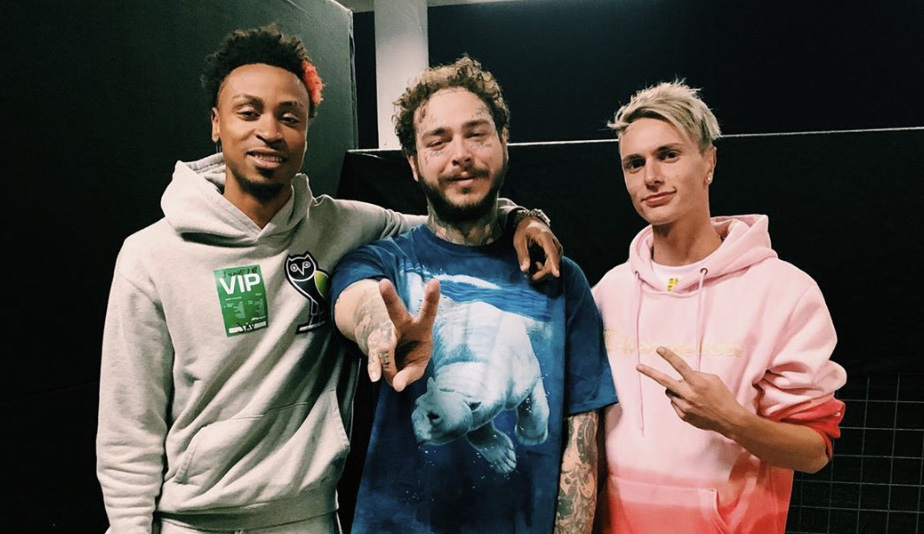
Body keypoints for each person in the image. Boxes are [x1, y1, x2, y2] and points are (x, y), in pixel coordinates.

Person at [95, 25, 563, 534]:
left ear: (306, 130)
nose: (269, 131)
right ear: (216, 122)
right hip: (191, 523)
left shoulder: (339, 225)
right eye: (248, 112)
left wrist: (521, 217)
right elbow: (129, 430)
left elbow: (449, 221)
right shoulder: (150, 256)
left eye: (289, 116)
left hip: (312, 518)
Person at [330, 55, 618, 534]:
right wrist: (382, 333)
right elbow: (357, 301)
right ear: (414, 164)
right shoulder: (383, 264)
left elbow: (581, 442)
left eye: (477, 134)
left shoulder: (557, 278)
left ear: (504, 142)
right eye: (438, 141)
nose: (460, 154)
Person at [591, 80, 848, 534]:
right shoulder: (608, 292)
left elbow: (815, 452)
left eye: (669, 155)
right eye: (635, 163)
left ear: (709, 160)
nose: (651, 177)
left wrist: (731, 420)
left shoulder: (783, 292)